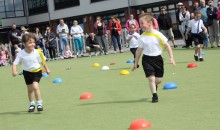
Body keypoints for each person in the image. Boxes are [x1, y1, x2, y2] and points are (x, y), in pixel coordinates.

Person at [132, 13, 176, 103]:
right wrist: (135, 63)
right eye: (139, 24)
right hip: (147, 59)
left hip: (158, 59)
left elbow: (167, 46)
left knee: (158, 80)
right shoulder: (142, 37)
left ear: (149, 23)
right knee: (151, 79)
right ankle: (154, 96)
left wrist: (171, 58)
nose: (140, 26)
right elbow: (139, 51)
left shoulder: (158, 34)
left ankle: (154, 86)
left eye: (142, 23)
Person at [12, 33, 50, 112]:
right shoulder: (20, 54)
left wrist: (47, 69)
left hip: (37, 71)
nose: (32, 44)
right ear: (24, 43)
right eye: (30, 42)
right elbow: (15, 63)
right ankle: (32, 104)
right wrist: (14, 71)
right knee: (30, 90)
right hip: (27, 73)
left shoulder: (37, 52)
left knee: (35, 86)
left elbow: (42, 62)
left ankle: (39, 103)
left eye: (33, 42)